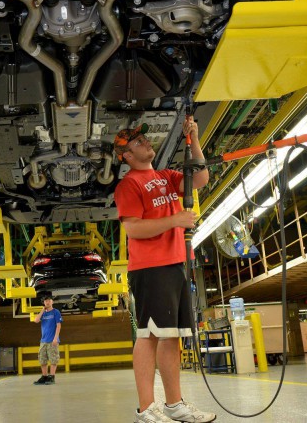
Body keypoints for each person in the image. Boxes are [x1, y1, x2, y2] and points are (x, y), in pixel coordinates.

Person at [113, 119, 216, 423]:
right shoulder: (129, 185)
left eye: (144, 138)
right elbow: (133, 228)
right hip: (150, 267)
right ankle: (146, 408)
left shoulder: (166, 176)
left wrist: (194, 138)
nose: (146, 142)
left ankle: (174, 405)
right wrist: (174, 221)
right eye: (137, 142)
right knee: (149, 334)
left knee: (172, 336)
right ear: (127, 156)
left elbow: (200, 179)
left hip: (175, 264)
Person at [33, 296, 62, 385]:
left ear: (52, 302)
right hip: (43, 341)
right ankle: (44, 376)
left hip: (52, 340)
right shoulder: (43, 314)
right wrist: (42, 310)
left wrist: (56, 338)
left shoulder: (55, 312)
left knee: (53, 359)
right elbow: (36, 320)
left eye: (49, 300)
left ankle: (52, 377)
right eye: (45, 301)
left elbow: (58, 325)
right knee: (42, 359)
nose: (47, 302)